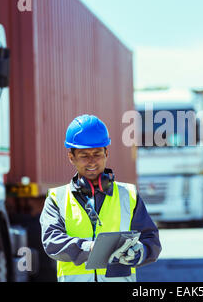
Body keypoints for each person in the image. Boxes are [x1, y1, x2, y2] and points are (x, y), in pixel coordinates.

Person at [40, 114, 161, 282]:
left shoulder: (129, 195)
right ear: (71, 157)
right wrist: (90, 248)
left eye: (97, 154)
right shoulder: (57, 198)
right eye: (84, 155)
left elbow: (152, 240)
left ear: (106, 153)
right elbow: (52, 242)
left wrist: (141, 251)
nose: (92, 161)